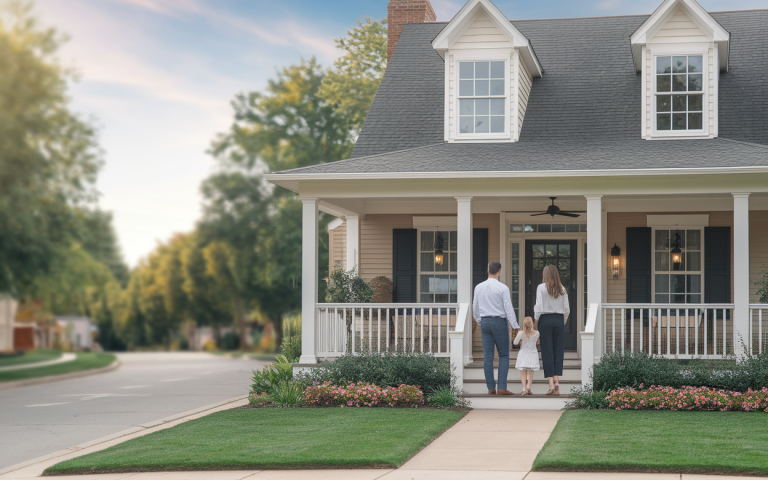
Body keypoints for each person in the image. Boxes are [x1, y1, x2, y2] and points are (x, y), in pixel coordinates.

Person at [473, 261, 519, 395]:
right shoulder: (503, 288)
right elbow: (508, 309)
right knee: (504, 355)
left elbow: (475, 308)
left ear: (488, 270)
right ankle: (502, 387)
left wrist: (481, 321)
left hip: (485, 321)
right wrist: (515, 326)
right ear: (499, 271)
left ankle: (491, 388)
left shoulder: (479, 287)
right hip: (499, 322)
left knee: (488, 356)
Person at [534, 264, 570, 396]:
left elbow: (538, 307)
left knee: (547, 351)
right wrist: (562, 322)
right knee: (558, 351)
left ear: (546, 275)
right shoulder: (563, 289)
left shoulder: (541, 288)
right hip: (559, 320)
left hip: (545, 320)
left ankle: (550, 385)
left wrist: (536, 323)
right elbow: (567, 309)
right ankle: (557, 382)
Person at [513, 316, 540, 395]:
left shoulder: (521, 333)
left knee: (523, 372)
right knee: (530, 372)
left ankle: (524, 388)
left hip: (523, 353)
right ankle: (528, 387)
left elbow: (515, 342)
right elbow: (536, 342)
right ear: (532, 324)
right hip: (532, 353)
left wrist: (520, 342)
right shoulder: (537, 333)